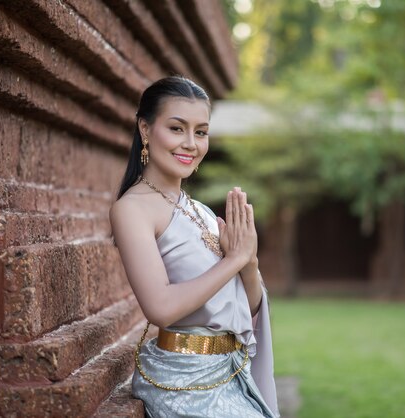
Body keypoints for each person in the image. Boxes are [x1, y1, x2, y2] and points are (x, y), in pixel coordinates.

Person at [109, 76, 279, 418]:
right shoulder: (132, 209)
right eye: (177, 128)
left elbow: (245, 307)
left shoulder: (199, 210)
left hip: (232, 373)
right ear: (145, 129)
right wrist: (233, 261)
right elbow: (160, 307)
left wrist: (249, 263)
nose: (191, 143)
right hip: (185, 383)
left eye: (200, 132)